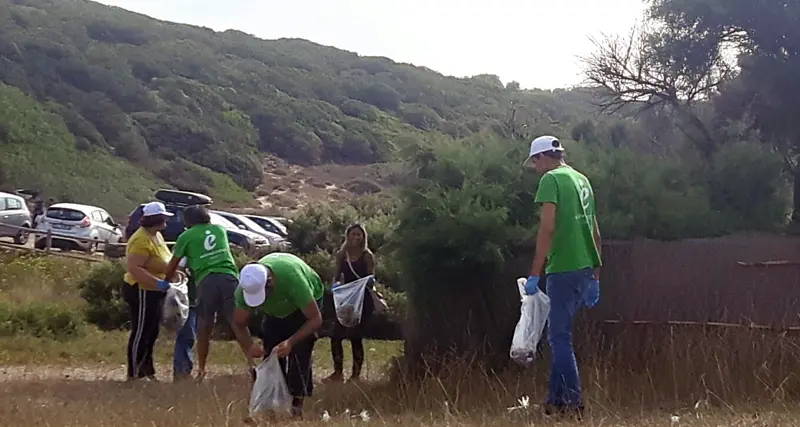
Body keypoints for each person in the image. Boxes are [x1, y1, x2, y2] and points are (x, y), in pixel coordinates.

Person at [522, 135, 602, 417]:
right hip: (584, 269)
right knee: (558, 334)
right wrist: (596, 276)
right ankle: (554, 401)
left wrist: (534, 273)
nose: (534, 168)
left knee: (559, 338)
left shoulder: (551, 180)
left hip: (563, 267)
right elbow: (595, 230)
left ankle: (574, 403)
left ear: (543, 157)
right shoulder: (582, 180)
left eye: (534, 161)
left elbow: (547, 229)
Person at [230, 252, 324, 419]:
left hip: (306, 305)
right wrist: (249, 345)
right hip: (276, 311)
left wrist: (290, 341)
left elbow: (315, 319)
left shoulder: (293, 280)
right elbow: (238, 323)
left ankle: (296, 406)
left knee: (300, 351)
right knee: (271, 349)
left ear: (270, 283)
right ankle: (271, 404)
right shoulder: (245, 288)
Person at [164, 205, 244, 382]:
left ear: (188, 221)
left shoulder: (186, 236)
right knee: (236, 321)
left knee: (205, 325)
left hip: (206, 279)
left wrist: (167, 281)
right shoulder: (219, 230)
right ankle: (252, 363)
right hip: (230, 276)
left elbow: (174, 263)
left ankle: (201, 369)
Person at [123, 201, 175, 381]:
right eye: (163, 218)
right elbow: (135, 268)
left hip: (155, 290)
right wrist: (156, 282)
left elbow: (164, 260)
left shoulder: (157, 236)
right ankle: (135, 372)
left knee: (152, 331)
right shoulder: (140, 239)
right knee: (141, 331)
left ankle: (147, 369)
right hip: (142, 290)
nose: (166, 222)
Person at [324, 223, 376, 383]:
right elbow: (337, 275)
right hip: (347, 300)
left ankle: (355, 375)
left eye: (359, 235)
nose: (356, 237)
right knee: (336, 335)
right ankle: (337, 372)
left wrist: (365, 284)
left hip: (362, 300)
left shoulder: (367, 256)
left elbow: (371, 278)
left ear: (363, 237)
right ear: (348, 236)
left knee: (355, 336)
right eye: (353, 234)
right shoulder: (342, 254)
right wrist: (335, 287)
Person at [173, 256, 197, 382]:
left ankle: (184, 370)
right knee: (187, 336)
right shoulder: (186, 251)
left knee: (191, 337)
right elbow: (177, 269)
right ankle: (181, 372)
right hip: (188, 301)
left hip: (198, 299)